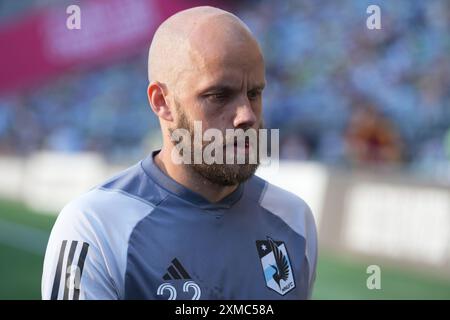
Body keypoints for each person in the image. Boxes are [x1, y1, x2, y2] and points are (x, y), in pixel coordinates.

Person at [41, 6, 317, 300]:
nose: (246, 115)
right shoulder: (95, 226)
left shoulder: (294, 220)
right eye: (218, 96)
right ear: (162, 102)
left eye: (254, 93)